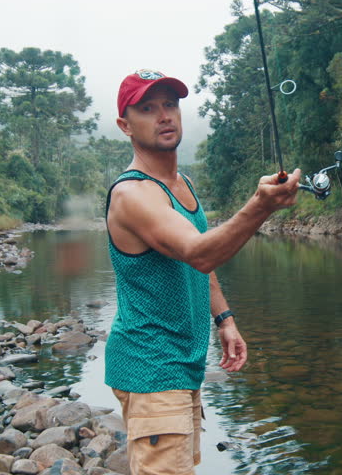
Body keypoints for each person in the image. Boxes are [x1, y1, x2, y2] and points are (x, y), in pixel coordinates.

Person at [104, 69, 301, 475]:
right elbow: (200, 253)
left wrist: (224, 319)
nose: (164, 116)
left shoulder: (182, 183)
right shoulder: (133, 195)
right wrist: (261, 205)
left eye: (170, 105)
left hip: (183, 366)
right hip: (153, 369)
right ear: (125, 125)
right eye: (147, 108)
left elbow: (195, 261)